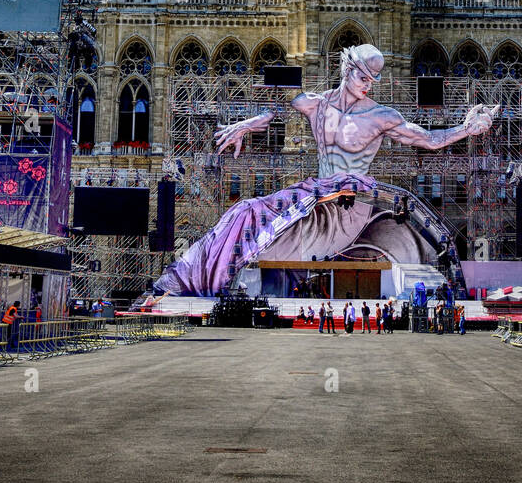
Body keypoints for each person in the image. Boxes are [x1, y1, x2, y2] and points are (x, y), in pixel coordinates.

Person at [151, 45, 498, 296]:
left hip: (350, 203)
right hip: (316, 194)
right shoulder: (318, 105)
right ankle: (187, 282)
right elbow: (280, 103)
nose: (368, 84)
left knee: (268, 241)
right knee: (243, 211)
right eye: (363, 76)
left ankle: (211, 281)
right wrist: (250, 123)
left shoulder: (380, 116)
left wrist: (466, 128)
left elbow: (427, 139)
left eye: (373, 79)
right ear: (347, 70)